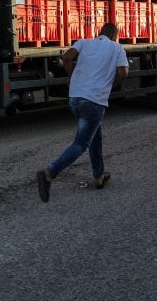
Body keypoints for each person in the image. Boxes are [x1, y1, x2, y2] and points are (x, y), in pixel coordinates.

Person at [36, 23, 129, 203]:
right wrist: (112, 83)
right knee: (81, 143)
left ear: (99, 34)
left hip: (75, 98)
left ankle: (98, 176)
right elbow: (123, 72)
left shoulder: (85, 42)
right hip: (93, 100)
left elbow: (67, 57)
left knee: (95, 135)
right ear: (115, 36)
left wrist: (74, 77)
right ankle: (49, 172)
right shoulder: (117, 48)